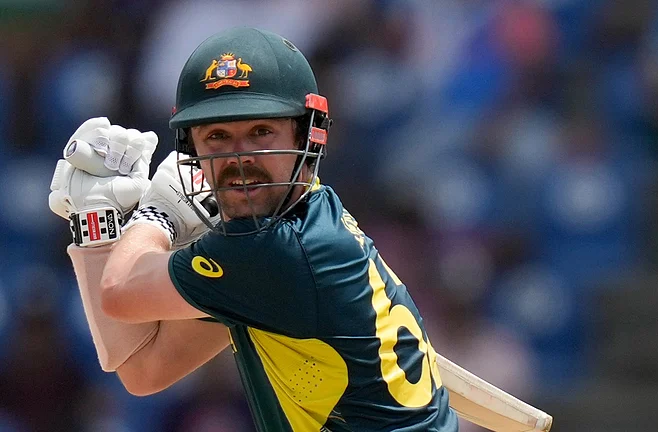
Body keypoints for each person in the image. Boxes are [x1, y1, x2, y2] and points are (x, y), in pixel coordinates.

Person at [49, 26, 458, 431]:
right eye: (217, 136)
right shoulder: (278, 236)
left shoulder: (275, 250)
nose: (239, 158)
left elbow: (120, 292)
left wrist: (159, 215)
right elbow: (144, 371)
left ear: (307, 136)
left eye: (261, 132)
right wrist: (96, 223)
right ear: (192, 149)